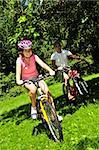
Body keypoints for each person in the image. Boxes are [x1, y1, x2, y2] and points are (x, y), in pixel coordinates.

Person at [16, 39, 56, 120]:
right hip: (27, 80)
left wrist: (50, 70)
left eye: (30, 50)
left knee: (47, 92)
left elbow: (42, 64)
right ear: (21, 52)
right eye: (26, 51)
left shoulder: (34, 57)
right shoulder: (19, 60)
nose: (28, 52)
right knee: (33, 90)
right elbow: (18, 74)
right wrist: (18, 80)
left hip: (37, 78)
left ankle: (54, 115)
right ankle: (33, 107)